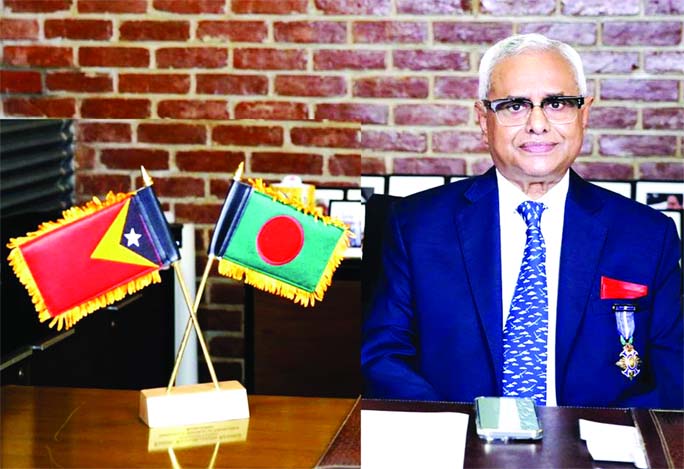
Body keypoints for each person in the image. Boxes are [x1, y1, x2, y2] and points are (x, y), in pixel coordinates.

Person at [361, 34, 683, 409]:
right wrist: (455, 431)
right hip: (458, 439)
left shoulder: (648, 236)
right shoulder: (416, 227)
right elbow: (384, 357)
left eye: (557, 103)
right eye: (515, 106)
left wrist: (596, 438)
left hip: (597, 442)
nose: (537, 124)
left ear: (584, 114)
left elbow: (673, 370)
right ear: (483, 120)